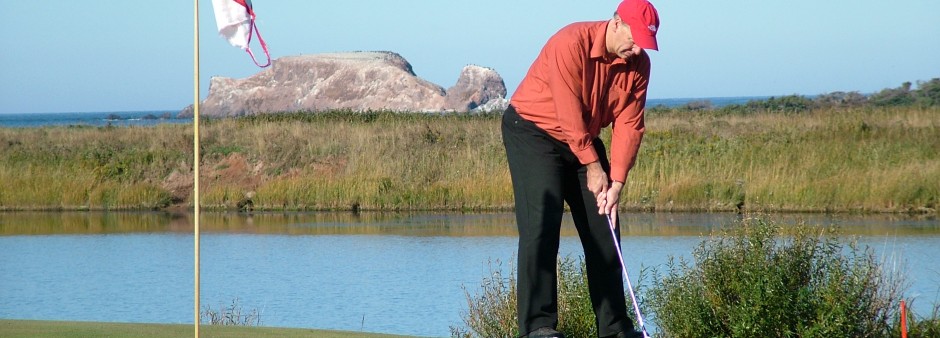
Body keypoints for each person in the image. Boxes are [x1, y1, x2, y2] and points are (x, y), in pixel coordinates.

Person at [500, 0, 660, 337]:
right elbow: (567, 111)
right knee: (541, 225)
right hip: (533, 130)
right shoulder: (569, 43)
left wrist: (616, 182)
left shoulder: (639, 65)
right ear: (616, 23)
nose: (636, 50)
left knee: (606, 225)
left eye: (644, 43)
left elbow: (630, 125)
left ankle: (615, 327)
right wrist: (593, 165)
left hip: (582, 138)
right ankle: (538, 327)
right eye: (633, 40)